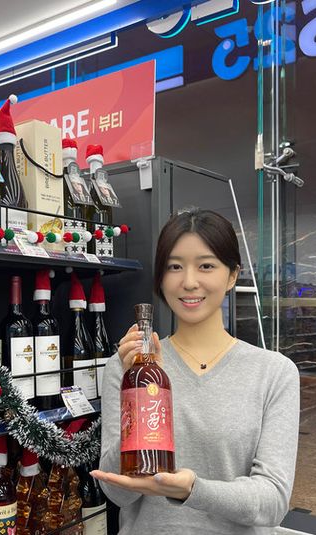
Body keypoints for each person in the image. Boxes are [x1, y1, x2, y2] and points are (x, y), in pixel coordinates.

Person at [91, 208, 300, 534]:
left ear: (232, 275)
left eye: (206, 266)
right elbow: (117, 492)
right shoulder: (125, 368)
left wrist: (193, 490)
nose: (189, 282)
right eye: (174, 266)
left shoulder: (274, 373)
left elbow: (273, 501)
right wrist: (141, 400)